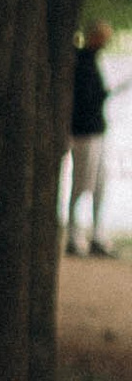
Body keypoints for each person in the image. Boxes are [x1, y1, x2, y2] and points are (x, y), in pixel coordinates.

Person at [69, 23, 113, 257]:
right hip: (84, 132)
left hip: (95, 131)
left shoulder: (89, 62)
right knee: (81, 184)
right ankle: (74, 236)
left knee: (98, 184)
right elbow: (85, 98)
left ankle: (96, 234)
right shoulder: (82, 62)